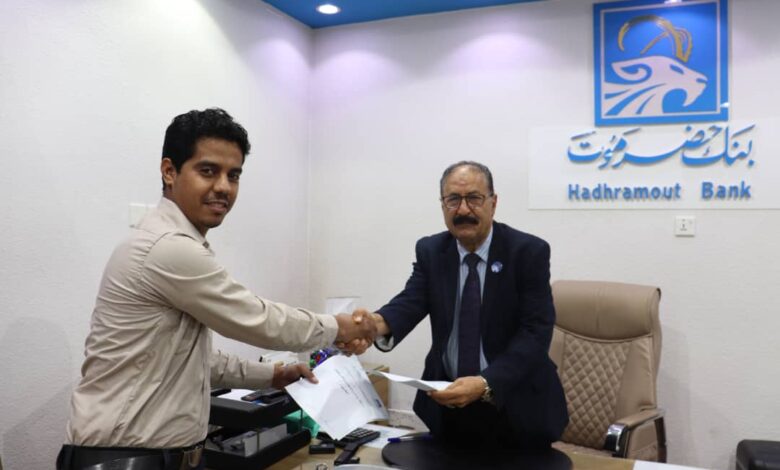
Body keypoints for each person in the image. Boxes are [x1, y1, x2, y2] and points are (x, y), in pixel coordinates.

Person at [57, 108, 375, 470]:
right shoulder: (168, 247)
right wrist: (342, 327)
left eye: (233, 175)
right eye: (208, 171)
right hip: (123, 460)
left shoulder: (176, 246)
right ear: (169, 171)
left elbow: (197, 361)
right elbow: (259, 320)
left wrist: (273, 376)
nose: (224, 187)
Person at [356, 161, 568, 450]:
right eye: (453, 199)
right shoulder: (432, 250)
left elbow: (535, 332)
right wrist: (375, 324)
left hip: (515, 406)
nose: (463, 210)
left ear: (493, 203)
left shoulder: (527, 252)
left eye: (474, 198)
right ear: (442, 205)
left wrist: (485, 383)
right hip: (449, 407)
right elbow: (411, 301)